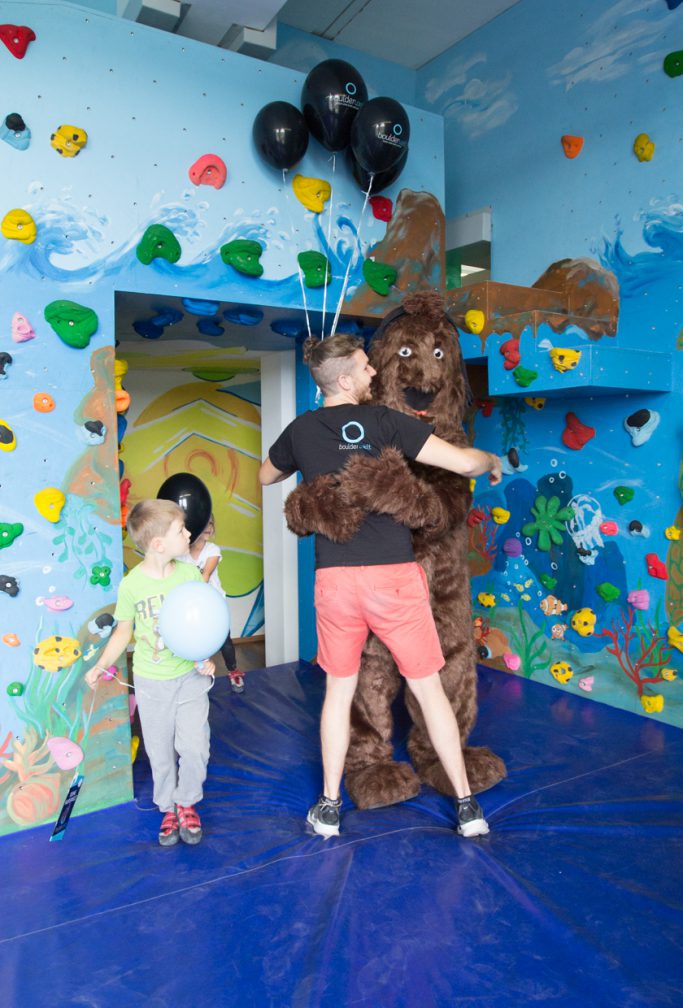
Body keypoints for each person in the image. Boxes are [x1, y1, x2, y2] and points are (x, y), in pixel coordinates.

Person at [259, 333, 503, 840]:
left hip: (336, 582)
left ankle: (328, 807)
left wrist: (309, 467)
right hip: (392, 578)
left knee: (338, 692)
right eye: (366, 366)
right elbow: (462, 462)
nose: (374, 372)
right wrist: (489, 461)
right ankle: (465, 805)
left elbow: (265, 476)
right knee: (428, 688)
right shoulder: (386, 423)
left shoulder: (300, 430)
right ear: (345, 378)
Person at [84, 499, 215, 847]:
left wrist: (205, 656)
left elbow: (202, 621)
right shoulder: (131, 585)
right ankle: (168, 807)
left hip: (190, 677)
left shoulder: (189, 574)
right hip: (151, 681)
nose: (189, 532)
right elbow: (123, 631)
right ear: (158, 544)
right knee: (159, 751)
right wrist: (100, 665)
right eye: (181, 529)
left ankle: (186, 801)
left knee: (195, 747)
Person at [177, 514, 243, 693]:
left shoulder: (212, 549)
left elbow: (205, 575)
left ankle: (233, 671)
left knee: (224, 640)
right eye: (205, 524)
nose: (209, 528)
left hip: (213, 602)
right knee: (196, 639)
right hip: (192, 604)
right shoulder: (182, 553)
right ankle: (198, 671)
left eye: (212, 524)